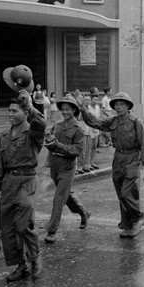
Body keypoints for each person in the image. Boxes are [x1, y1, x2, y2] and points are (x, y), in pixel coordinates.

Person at [76, 92, 144, 237]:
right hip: (118, 158)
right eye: (116, 104)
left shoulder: (136, 122)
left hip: (132, 158)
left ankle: (137, 219)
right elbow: (93, 122)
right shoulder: (113, 121)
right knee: (120, 193)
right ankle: (127, 223)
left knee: (127, 193)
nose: (118, 107)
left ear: (128, 106)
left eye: (122, 104)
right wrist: (82, 109)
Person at [0, 90, 46, 282]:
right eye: (9, 111)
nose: (10, 114)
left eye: (15, 111)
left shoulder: (32, 132)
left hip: (26, 181)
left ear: (24, 113)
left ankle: (34, 256)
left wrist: (31, 106)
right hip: (8, 183)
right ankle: (21, 266)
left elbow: (41, 124)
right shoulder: (4, 135)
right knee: (7, 229)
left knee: (23, 225)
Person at [43, 96, 91, 243]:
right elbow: (50, 140)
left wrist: (57, 145)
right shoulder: (57, 125)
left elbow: (76, 151)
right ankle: (83, 213)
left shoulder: (78, 129)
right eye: (63, 109)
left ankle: (52, 230)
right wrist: (49, 140)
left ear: (74, 110)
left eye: (68, 109)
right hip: (55, 163)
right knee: (65, 194)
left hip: (68, 166)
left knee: (59, 197)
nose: (64, 112)